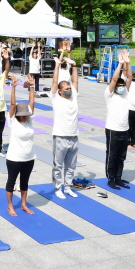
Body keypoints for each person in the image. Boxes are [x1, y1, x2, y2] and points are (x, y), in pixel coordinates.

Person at [5, 74, 37, 215]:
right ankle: (10, 205)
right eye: (22, 114)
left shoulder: (29, 120)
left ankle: (24, 204)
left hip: (29, 158)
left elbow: (31, 102)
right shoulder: (12, 120)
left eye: (26, 114)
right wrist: (13, 87)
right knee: (11, 182)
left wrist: (32, 86)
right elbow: (13, 104)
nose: (24, 116)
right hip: (14, 158)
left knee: (25, 182)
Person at [51, 50, 79, 199]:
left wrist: (74, 66)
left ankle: (68, 187)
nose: (69, 91)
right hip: (60, 136)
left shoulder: (73, 97)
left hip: (74, 136)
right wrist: (57, 66)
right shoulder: (56, 99)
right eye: (66, 89)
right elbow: (54, 82)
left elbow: (75, 82)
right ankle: (58, 188)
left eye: (69, 89)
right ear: (60, 91)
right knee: (58, 165)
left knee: (71, 166)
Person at [104, 50, 132, 190]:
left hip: (124, 129)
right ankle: (110, 179)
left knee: (121, 156)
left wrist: (128, 62)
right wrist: (120, 64)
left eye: (122, 86)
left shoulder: (125, 93)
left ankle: (118, 177)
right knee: (112, 155)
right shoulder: (109, 95)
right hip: (113, 130)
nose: (121, 88)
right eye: (119, 86)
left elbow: (129, 77)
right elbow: (114, 80)